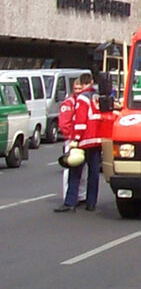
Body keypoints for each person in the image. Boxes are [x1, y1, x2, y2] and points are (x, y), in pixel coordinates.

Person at [59, 72, 102, 212]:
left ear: (83, 85)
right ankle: (91, 203)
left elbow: (80, 121)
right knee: (94, 173)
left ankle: (70, 202)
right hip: (97, 139)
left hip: (84, 140)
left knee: (75, 170)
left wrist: (76, 139)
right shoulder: (97, 96)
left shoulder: (82, 99)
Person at [56, 76, 87, 211]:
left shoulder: (84, 101)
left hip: (83, 140)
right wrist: (71, 138)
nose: (78, 90)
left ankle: (81, 196)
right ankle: (68, 197)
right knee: (70, 169)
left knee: (83, 170)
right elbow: (64, 124)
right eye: (76, 88)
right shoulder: (69, 104)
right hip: (72, 140)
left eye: (80, 88)